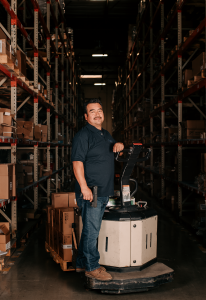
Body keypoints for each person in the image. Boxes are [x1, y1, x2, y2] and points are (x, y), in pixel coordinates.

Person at [71, 99, 124, 281]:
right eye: (92, 111)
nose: (97, 114)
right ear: (86, 117)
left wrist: (119, 146)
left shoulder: (106, 134)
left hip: (103, 191)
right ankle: (92, 267)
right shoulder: (83, 135)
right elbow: (77, 163)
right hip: (91, 191)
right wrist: (84, 188)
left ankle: (80, 263)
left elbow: (114, 149)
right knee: (92, 231)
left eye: (100, 110)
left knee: (89, 230)